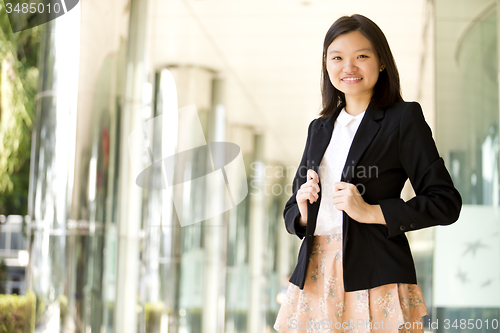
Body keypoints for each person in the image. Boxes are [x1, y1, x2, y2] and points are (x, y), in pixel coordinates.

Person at [273, 14, 462, 333]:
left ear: (382, 62)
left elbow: (445, 201)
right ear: (326, 64)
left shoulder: (403, 119)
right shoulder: (319, 128)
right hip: (317, 272)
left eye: (361, 56)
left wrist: (371, 212)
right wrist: (304, 213)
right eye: (337, 58)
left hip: (376, 272)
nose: (349, 67)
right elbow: (293, 208)